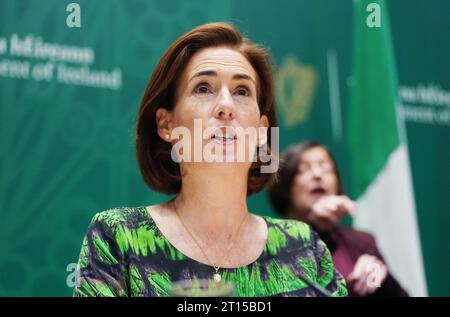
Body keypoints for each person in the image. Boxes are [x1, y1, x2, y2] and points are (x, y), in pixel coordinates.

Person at [73, 23, 347, 297]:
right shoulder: (118, 237)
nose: (226, 107)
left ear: (262, 131)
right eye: (203, 88)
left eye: (242, 91)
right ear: (166, 124)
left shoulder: (304, 247)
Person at [269, 141, 408, 297]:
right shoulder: (269, 247)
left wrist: (380, 281)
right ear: (286, 187)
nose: (317, 174)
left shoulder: (362, 242)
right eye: (303, 170)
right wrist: (312, 226)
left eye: (326, 168)